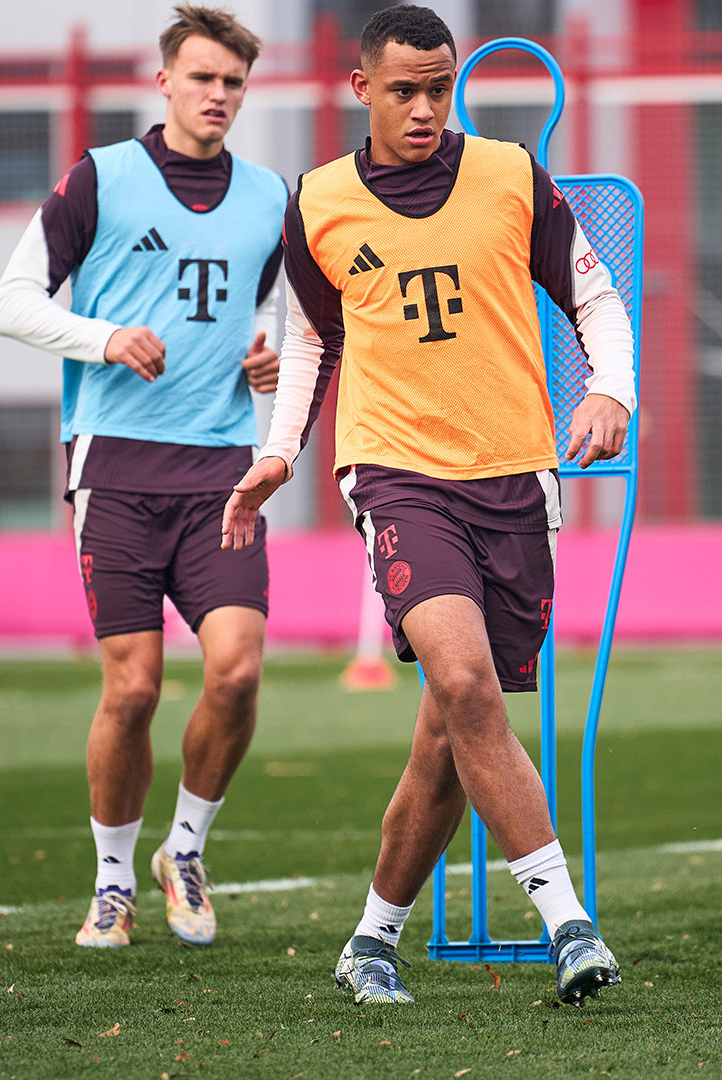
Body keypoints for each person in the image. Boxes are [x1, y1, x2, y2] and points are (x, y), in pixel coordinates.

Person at [219, 4, 635, 1007]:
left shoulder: (509, 175)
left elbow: (593, 293)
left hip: (515, 472)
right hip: (395, 471)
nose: (423, 108)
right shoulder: (317, 201)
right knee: (464, 680)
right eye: (403, 89)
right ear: (360, 89)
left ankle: (371, 940)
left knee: (451, 736)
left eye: (438, 89)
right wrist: (281, 454)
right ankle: (570, 924)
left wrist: (611, 385)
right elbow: (312, 340)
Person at [0, 4, 288, 948]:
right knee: (135, 690)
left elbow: (286, 312)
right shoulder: (102, 178)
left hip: (222, 474)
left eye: (233, 82)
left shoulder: (273, 196)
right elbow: (9, 305)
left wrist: (269, 355)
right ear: (164, 82)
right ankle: (112, 879)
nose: (218, 96)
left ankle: (184, 850)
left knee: (236, 675)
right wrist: (104, 338)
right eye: (202, 78)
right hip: (113, 470)